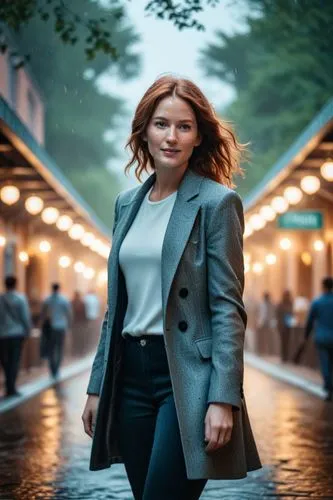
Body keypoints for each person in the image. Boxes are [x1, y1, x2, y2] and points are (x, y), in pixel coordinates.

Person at [82, 75, 261, 500]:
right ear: (144, 130)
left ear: (199, 137)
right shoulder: (127, 204)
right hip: (129, 377)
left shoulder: (218, 203)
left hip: (185, 376)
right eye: (162, 124)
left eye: (184, 126)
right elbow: (116, 308)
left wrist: (224, 398)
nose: (172, 136)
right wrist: (96, 386)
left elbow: (226, 307)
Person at [0, 275, 31, 397]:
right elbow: (25, 316)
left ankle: (9, 385)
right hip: (17, 334)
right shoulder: (20, 299)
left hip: (2, 335)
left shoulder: (1, 299)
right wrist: (28, 330)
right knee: (14, 361)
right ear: (16, 284)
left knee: (4, 361)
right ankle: (11, 387)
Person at [304, 277, 333, 401]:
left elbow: (310, 321)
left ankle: (329, 388)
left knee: (325, 364)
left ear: (323, 286)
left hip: (321, 338)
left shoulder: (317, 302)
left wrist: (306, 336)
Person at [40, 283, 72, 378]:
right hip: (61, 327)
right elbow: (69, 313)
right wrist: (69, 325)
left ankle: (52, 369)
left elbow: (43, 314)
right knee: (59, 348)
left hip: (50, 327)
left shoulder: (47, 300)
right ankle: (57, 369)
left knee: (51, 349)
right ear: (59, 289)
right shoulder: (64, 300)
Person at [276, 290, 294, 362]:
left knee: (288, 341)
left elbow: (292, 313)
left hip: (288, 325)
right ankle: (284, 357)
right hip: (282, 326)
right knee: (283, 341)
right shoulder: (280, 304)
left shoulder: (291, 303)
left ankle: (286, 356)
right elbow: (277, 314)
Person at [71, 290, 87, 356]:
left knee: (75, 338)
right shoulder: (82, 303)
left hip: (75, 323)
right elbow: (85, 314)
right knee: (80, 338)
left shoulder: (72, 303)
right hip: (80, 323)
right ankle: (80, 351)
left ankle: (76, 351)